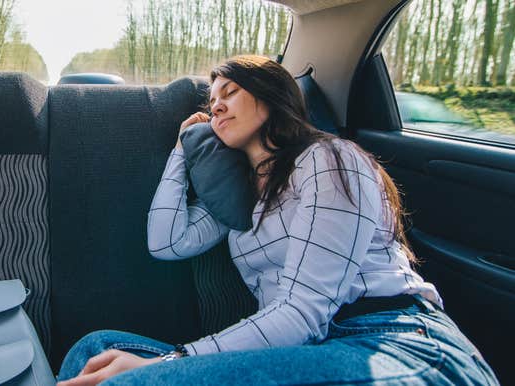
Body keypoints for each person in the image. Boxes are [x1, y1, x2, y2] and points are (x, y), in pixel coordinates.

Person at [56, 55, 499, 386]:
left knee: (131, 381)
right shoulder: (236, 196)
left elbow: (304, 313)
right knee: (95, 351)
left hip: (393, 341)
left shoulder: (328, 159)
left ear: (271, 95)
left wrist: (173, 360)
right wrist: (182, 150)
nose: (217, 108)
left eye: (229, 93)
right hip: (311, 350)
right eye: (212, 103)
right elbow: (166, 243)